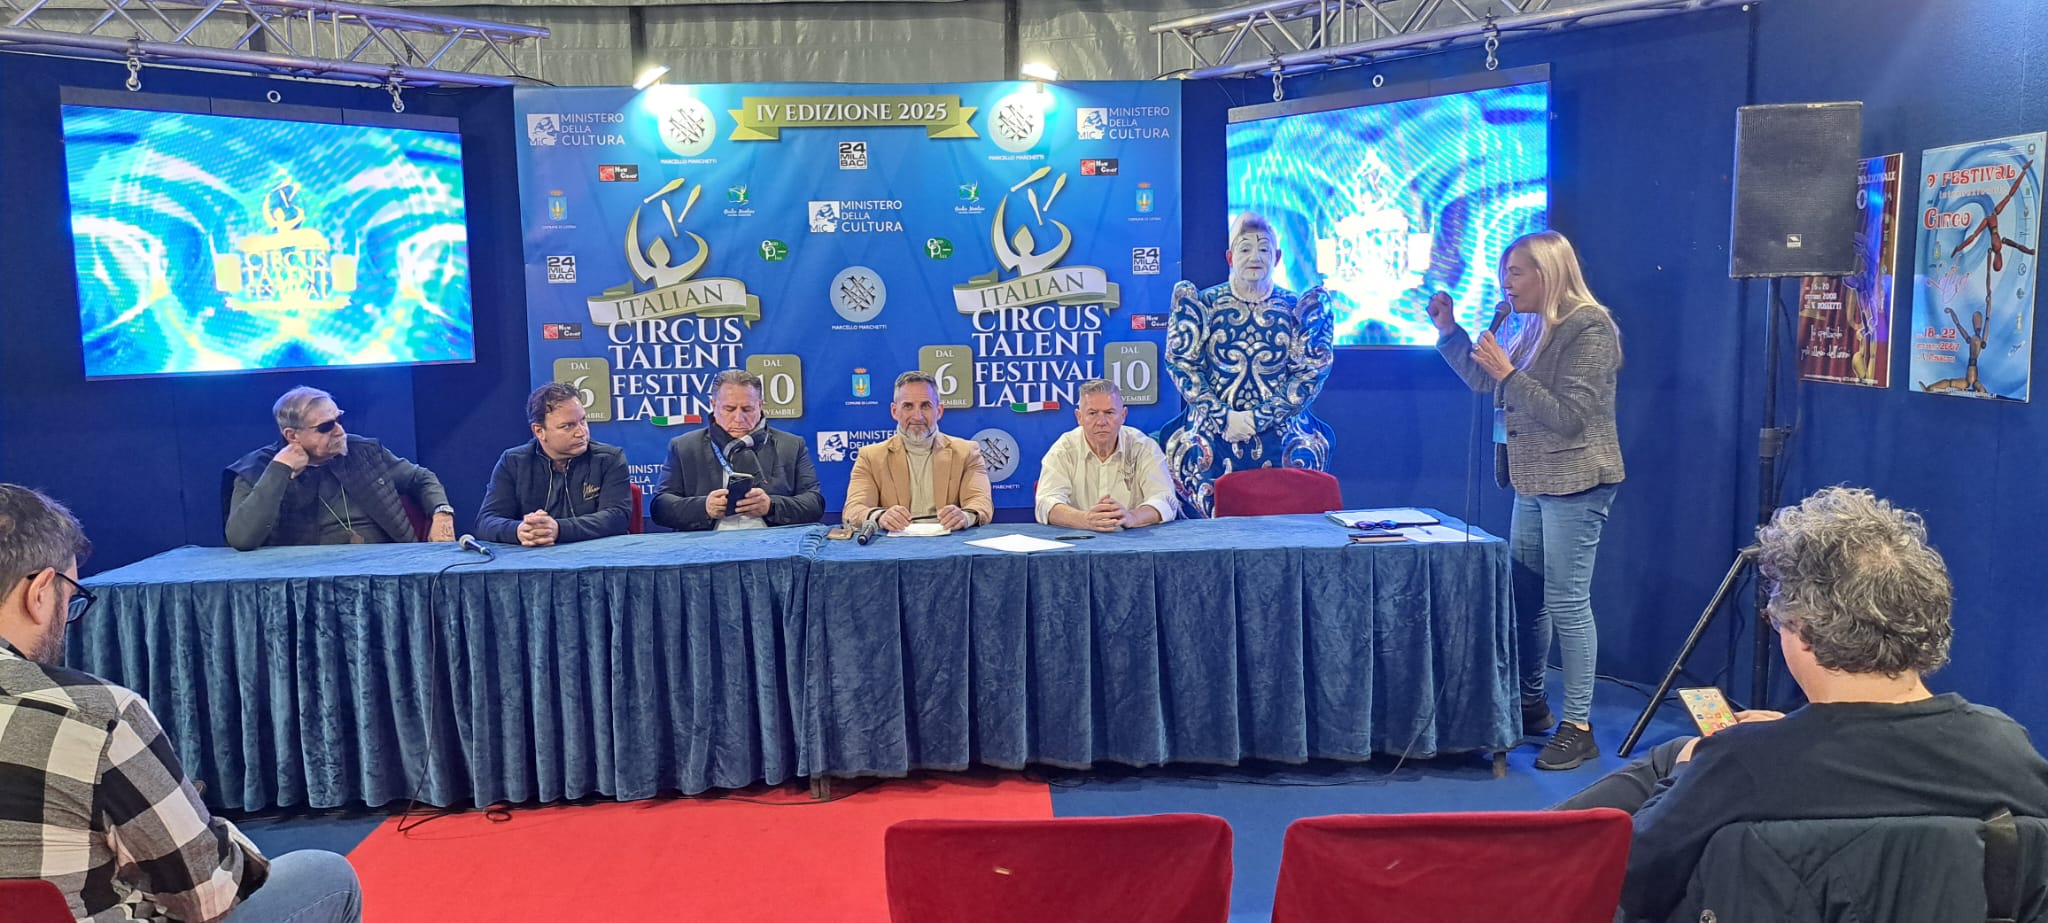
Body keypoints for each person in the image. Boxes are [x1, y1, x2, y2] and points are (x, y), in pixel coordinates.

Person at [1553, 486, 2048, 921]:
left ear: (1805, 634)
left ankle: (1524, 850)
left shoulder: (1741, 765)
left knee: (1675, 756)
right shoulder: (2006, 745)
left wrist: (1690, 768)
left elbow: (1631, 878)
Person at [0, 484, 363, 922]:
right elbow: (207, 897)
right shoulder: (98, 716)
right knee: (324, 874)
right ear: (40, 592)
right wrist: (192, 816)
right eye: (70, 596)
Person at [1427, 229, 1624, 771]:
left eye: (1515, 273)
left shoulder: (1589, 327)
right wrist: (1449, 332)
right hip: (1533, 481)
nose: (1505, 284)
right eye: (1502, 273)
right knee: (1526, 595)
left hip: (1576, 481)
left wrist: (1509, 373)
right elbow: (1484, 382)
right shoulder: (1529, 325)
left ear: (1548, 273)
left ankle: (1578, 726)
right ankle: (1530, 702)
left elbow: (1569, 417)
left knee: (1567, 601)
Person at [1158, 212, 1336, 518]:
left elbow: (1309, 374)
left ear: (1277, 257)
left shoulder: (1297, 308)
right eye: (1245, 249)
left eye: (1264, 249)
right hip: (1213, 437)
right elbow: (1183, 364)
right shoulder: (1204, 304)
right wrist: (1224, 417)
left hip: (1282, 439)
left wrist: (1257, 419)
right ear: (1230, 257)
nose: (1255, 257)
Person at [225, 387, 455, 550]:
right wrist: (279, 471)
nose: (339, 431)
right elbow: (241, 539)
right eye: (326, 427)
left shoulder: (363, 451)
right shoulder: (257, 468)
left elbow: (421, 478)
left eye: (338, 420)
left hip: (386, 567)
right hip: (306, 580)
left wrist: (442, 514)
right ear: (292, 435)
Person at [651, 369, 823, 531]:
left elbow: (814, 504)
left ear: (760, 406)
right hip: (705, 545)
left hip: (774, 543)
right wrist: (703, 507)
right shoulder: (684, 447)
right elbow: (660, 508)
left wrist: (772, 506)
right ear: (713, 405)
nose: (739, 418)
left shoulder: (791, 446)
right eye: (729, 409)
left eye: (747, 409)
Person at [476, 382, 632, 546]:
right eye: (568, 426)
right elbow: (486, 521)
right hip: (532, 556)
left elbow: (617, 517)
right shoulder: (514, 462)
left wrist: (558, 529)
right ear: (539, 431)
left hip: (596, 553)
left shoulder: (609, 459)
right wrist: (519, 530)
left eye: (583, 420)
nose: (581, 432)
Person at [843, 371, 994, 532]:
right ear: (894, 411)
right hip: (893, 544)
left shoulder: (967, 452)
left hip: (949, 542)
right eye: (908, 406)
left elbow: (981, 503)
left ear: (939, 410)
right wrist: (880, 516)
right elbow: (853, 511)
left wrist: (965, 516)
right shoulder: (870, 457)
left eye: (925, 406)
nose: (917, 416)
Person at [1035, 378, 1176, 532]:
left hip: (1135, 540)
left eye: (1109, 413)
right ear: (1079, 417)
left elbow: (1165, 500)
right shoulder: (1063, 450)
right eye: (1092, 413)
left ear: (1123, 415)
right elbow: (1045, 503)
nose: (1101, 421)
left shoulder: (1144, 447)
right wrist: (1084, 520)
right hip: (1079, 540)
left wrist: (1132, 517)